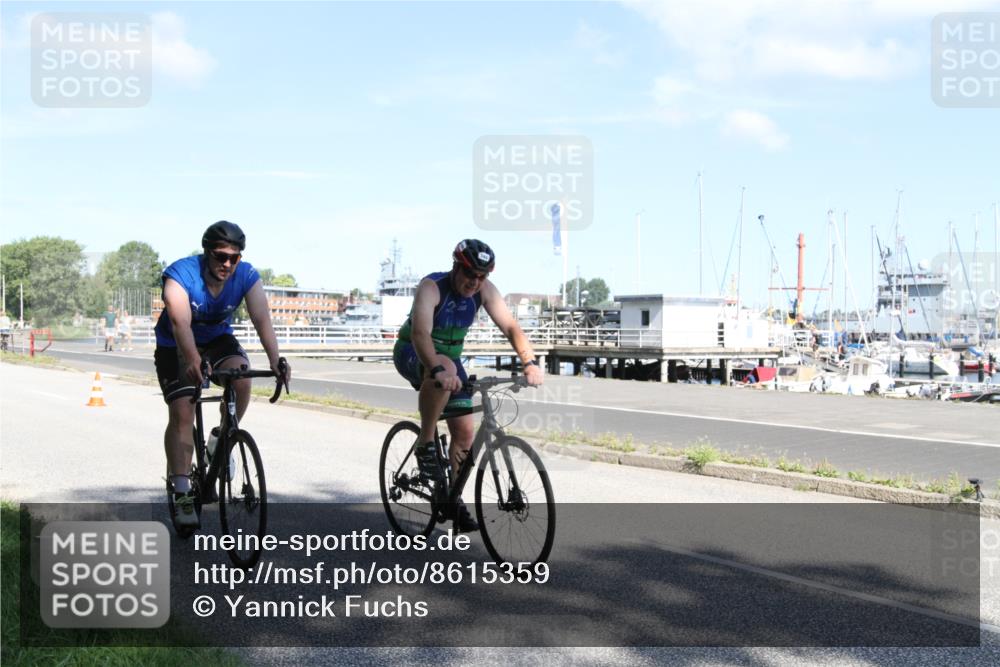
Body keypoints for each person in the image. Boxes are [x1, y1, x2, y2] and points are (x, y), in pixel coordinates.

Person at [393, 239, 543, 532]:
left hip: (449, 359)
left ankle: (452, 498)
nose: (475, 282)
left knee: (464, 432)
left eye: (481, 276)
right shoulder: (432, 287)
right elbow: (421, 333)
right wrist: (436, 368)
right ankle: (425, 442)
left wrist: (529, 362)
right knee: (447, 368)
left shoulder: (485, 290)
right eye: (470, 274)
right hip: (412, 350)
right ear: (455, 267)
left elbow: (511, 327)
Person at [154, 221, 291, 531]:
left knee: (242, 378)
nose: (227, 264)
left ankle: (222, 436)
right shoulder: (181, 274)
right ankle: (181, 489)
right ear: (206, 253)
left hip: (217, 339)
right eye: (220, 256)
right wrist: (192, 359)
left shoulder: (246, 275)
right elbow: (180, 323)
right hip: (176, 343)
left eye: (234, 257)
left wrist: (275, 360)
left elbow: (261, 317)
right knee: (183, 412)